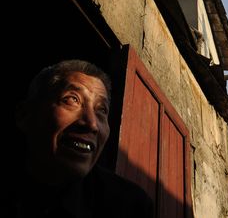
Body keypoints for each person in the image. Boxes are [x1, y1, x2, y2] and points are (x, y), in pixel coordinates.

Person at [3, 59, 153, 217]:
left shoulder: (129, 207)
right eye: (72, 100)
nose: (92, 124)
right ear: (24, 115)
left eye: (101, 110)